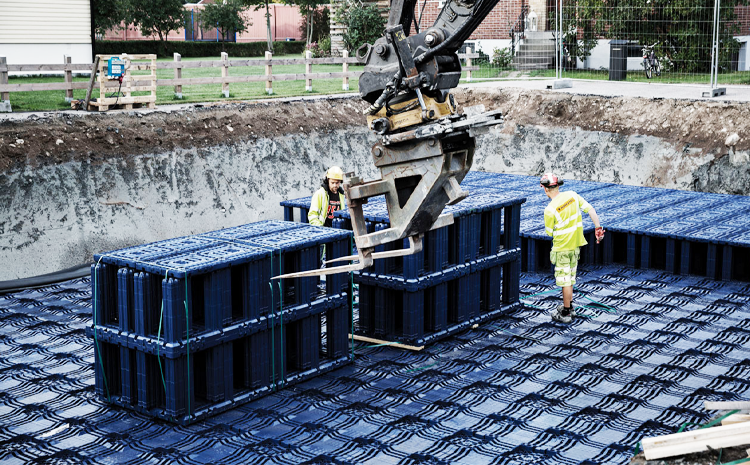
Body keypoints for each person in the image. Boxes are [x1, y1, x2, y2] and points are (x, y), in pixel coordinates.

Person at [541, 173, 605, 324]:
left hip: (561, 248)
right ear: (558, 186)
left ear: (545, 189)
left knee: (565, 281)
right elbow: (590, 209)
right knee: (570, 277)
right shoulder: (572, 195)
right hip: (575, 245)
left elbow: (549, 232)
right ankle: (568, 305)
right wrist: (598, 228)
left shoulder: (549, 210)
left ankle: (566, 312)